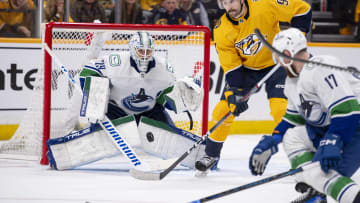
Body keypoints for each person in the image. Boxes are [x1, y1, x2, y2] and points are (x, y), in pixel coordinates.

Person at [46, 31, 205, 171]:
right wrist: (95, 100)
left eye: (148, 51)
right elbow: (88, 71)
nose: (144, 55)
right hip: (116, 111)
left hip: (149, 112)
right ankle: (60, 154)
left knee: (172, 137)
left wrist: (181, 97)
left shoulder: (164, 68)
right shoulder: (116, 62)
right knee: (99, 136)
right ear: (132, 49)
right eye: (140, 50)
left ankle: (205, 157)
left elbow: (164, 97)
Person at [194, 0, 312, 174]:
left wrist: (297, 39)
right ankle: (211, 154)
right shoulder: (222, 29)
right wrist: (235, 92)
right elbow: (231, 65)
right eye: (224, 3)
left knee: (281, 110)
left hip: (277, 63)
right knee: (224, 109)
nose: (229, 8)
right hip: (246, 71)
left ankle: (300, 157)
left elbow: (303, 10)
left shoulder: (265, 4)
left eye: (231, 2)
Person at [249, 27, 360, 203]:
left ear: (289, 53)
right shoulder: (293, 82)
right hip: (341, 125)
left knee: (320, 173)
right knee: (292, 137)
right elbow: (293, 120)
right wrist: (272, 140)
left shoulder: (320, 67)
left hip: (355, 125)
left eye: (280, 56)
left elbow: (348, 110)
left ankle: (324, 189)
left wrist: (334, 140)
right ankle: (314, 190)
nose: (278, 62)